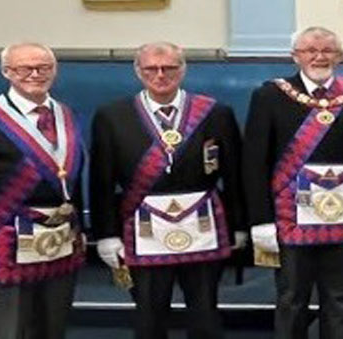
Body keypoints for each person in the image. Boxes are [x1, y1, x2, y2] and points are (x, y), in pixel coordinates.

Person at [89, 41, 246, 339]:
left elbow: (234, 174)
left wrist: (238, 225)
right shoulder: (112, 116)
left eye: (169, 68)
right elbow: (101, 181)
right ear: (138, 71)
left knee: (205, 313)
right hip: (142, 227)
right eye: (151, 68)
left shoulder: (215, 113)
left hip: (203, 227)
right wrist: (106, 234)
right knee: (149, 315)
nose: (160, 75)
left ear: (183, 70)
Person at [242, 26, 343, 339]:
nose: (319, 57)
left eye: (327, 51)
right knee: (292, 300)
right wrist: (261, 220)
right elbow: (255, 163)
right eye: (311, 50)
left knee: (340, 300)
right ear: (296, 56)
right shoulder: (270, 96)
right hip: (290, 217)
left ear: (339, 56)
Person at [0, 42, 85, 339]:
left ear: (55, 71)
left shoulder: (66, 114)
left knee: (53, 326)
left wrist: (81, 229)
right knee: (10, 329)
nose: (36, 74)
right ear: (7, 72)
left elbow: (69, 176)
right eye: (25, 68)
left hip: (60, 239)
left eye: (44, 67)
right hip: (7, 241)